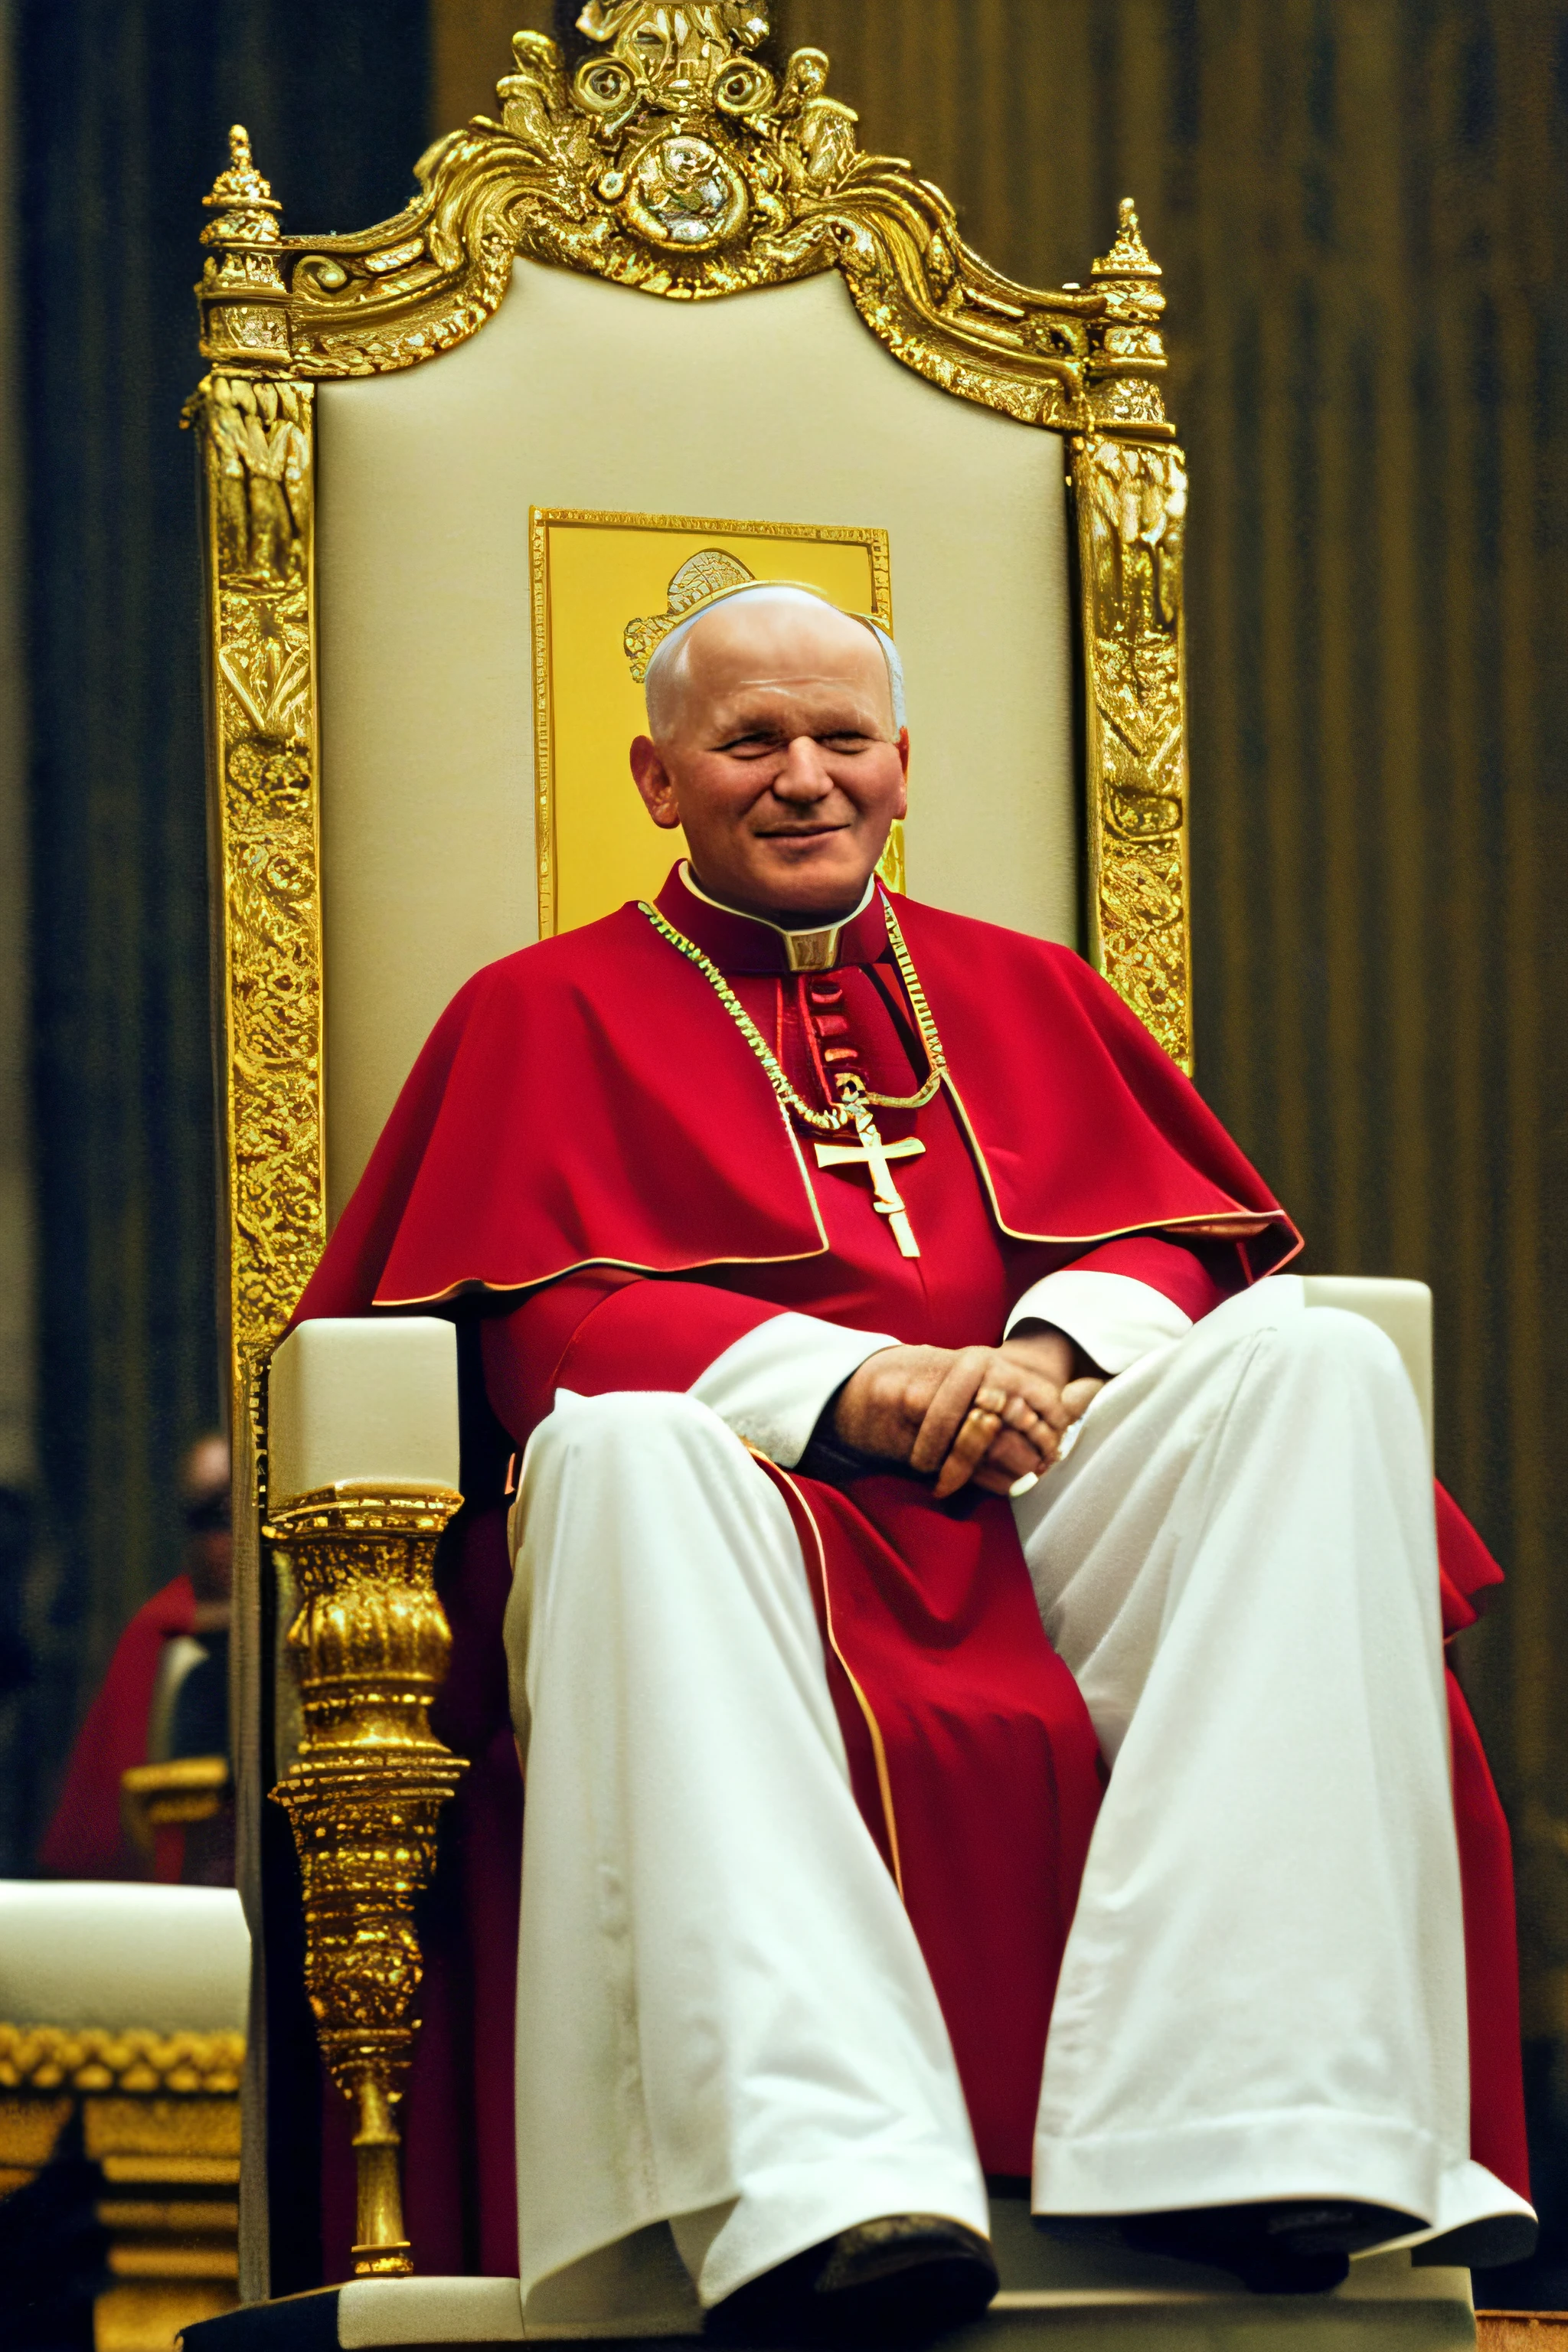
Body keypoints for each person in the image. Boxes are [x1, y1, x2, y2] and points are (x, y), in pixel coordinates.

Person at [296, 582, 1533, 2337]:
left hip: (1034, 1498)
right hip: (737, 1525)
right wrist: (861, 1385)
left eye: (840, 738)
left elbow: (1180, 1233)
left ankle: (1263, 2113)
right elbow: (538, 1327)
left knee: (1310, 1361)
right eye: (749, 741)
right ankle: (814, 2167)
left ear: (901, 765)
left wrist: (1040, 1354)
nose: (802, 777)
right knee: (623, 1447)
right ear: (659, 778)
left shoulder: (1024, 987)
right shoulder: (538, 1012)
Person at [41, 1432, 233, 1883]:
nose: (224, 1538)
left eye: (233, 1514)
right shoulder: (157, 1631)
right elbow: (105, 1824)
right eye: (209, 1518)